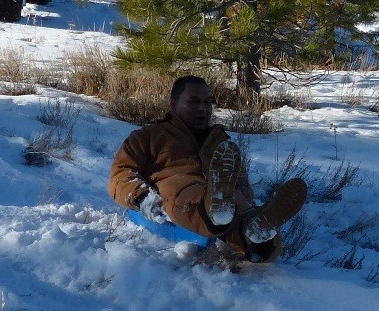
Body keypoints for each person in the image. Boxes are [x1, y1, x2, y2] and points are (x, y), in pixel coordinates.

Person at [108, 75, 307, 263]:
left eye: (207, 102)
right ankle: (223, 214)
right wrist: (143, 197)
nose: (202, 108)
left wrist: (245, 201)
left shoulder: (222, 143)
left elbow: (242, 185)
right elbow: (121, 173)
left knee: (239, 209)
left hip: (225, 201)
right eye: (194, 102)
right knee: (188, 193)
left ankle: (255, 232)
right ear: (174, 104)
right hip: (177, 194)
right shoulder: (148, 137)